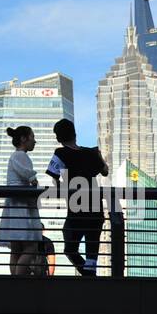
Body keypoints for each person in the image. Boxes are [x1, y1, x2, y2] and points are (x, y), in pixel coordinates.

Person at [46, 118, 108, 276]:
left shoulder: (60, 153)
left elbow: (54, 178)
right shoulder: (90, 152)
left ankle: (89, 277)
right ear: (75, 133)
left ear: (59, 138)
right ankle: (91, 278)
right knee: (91, 255)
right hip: (95, 208)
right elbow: (105, 171)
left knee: (70, 248)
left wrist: (63, 189)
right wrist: (99, 156)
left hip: (76, 208)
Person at [0, 125, 45, 276]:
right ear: (24, 139)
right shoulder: (20, 155)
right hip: (21, 205)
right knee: (31, 247)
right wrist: (33, 179)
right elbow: (25, 172)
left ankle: (15, 281)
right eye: (32, 137)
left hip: (14, 204)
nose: (34, 141)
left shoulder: (15, 156)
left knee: (16, 249)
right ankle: (20, 280)